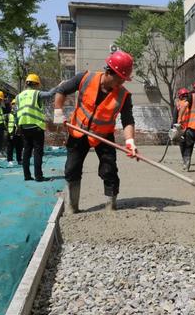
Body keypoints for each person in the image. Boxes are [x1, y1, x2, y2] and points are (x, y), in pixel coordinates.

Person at [53, 50, 138, 213]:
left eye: (124, 78)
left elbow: (128, 121)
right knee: (72, 168)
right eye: (120, 77)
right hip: (78, 132)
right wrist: (58, 112)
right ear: (108, 72)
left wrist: (130, 142)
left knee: (109, 169)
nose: (122, 82)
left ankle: (110, 206)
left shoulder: (124, 95)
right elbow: (61, 91)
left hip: (103, 135)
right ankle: (73, 206)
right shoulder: (84, 78)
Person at [15, 74, 58, 181]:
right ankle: (38, 176)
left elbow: (16, 112)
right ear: (36, 84)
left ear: (26, 83)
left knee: (26, 151)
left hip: (24, 127)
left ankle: (27, 176)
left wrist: (17, 126)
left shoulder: (18, 96)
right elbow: (50, 94)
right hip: (36, 127)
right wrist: (59, 86)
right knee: (38, 152)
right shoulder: (37, 94)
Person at [172, 87, 191, 167]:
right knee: (189, 145)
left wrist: (173, 126)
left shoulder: (178, 104)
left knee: (182, 144)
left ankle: (185, 160)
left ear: (180, 96)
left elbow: (175, 116)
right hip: (190, 127)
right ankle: (188, 159)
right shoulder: (190, 103)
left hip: (181, 127)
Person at [5, 98, 23, 167]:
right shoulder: (9, 114)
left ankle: (19, 160)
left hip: (19, 133)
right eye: (13, 104)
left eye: (16, 104)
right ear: (11, 105)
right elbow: (6, 123)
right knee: (10, 148)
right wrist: (8, 132)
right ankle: (10, 160)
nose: (15, 106)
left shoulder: (20, 114)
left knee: (19, 147)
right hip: (11, 133)